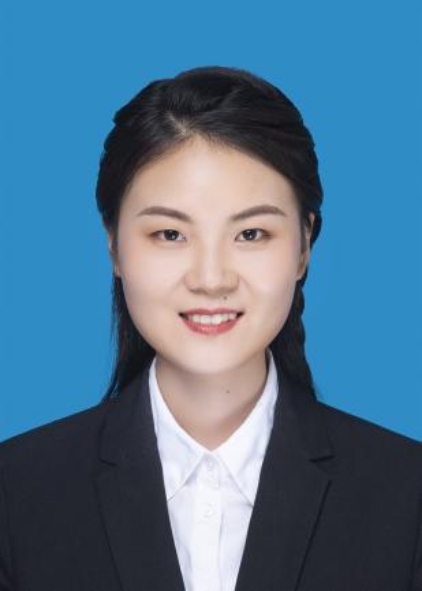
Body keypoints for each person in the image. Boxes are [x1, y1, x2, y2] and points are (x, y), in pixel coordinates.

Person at [0, 66, 421, 591]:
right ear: (113, 244)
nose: (210, 278)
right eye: (170, 234)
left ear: (304, 246)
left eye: (251, 233)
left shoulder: (407, 497)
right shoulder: (17, 494)